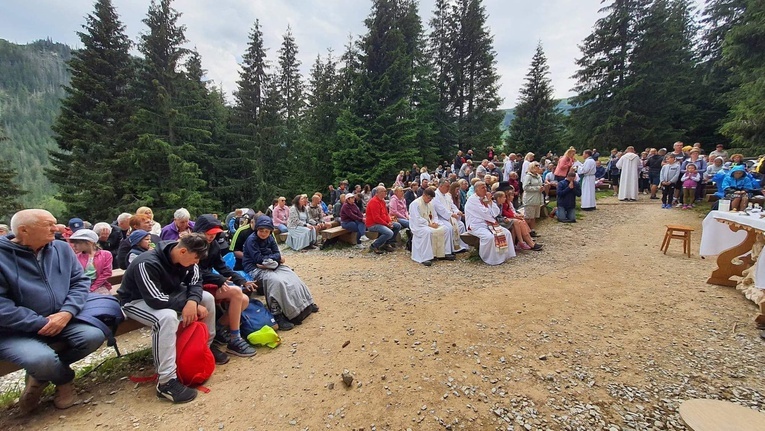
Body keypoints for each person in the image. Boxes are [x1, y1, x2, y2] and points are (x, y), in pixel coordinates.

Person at [0, 209, 105, 413]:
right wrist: (40, 323)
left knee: (93, 336)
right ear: (24, 230)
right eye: (48, 224)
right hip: (13, 331)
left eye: (55, 223)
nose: (56, 228)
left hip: (63, 320)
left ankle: (38, 379)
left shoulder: (61, 248)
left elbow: (80, 282)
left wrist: (67, 313)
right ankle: (63, 380)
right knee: (41, 359)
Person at [192, 215, 256, 358]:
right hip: (194, 285)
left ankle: (218, 329)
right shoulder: (192, 245)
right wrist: (219, 280)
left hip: (208, 281)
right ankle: (235, 338)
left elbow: (221, 267)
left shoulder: (213, 245)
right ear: (198, 231)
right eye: (208, 234)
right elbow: (194, 272)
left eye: (214, 234)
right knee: (235, 293)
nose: (211, 237)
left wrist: (242, 280)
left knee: (244, 300)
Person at [243, 216, 317, 330]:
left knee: (291, 276)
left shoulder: (270, 238)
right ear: (257, 229)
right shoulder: (251, 240)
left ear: (270, 231)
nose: (263, 233)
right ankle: (277, 315)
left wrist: (271, 259)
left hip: (271, 265)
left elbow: (277, 253)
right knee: (275, 282)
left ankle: (306, 303)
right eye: (261, 230)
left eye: (266, 231)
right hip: (254, 268)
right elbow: (257, 259)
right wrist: (274, 259)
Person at [464, 182, 516, 265]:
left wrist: (490, 202)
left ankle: (502, 256)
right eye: (482, 188)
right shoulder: (472, 200)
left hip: (488, 223)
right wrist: (491, 217)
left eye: (485, 187)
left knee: (506, 233)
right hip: (476, 225)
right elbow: (484, 213)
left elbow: (496, 212)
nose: (485, 189)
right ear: (476, 190)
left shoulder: (485, 198)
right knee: (490, 237)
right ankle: (490, 259)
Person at [408, 188, 453, 266]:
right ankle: (425, 257)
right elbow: (416, 218)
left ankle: (444, 253)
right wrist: (428, 224)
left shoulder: (430, 204)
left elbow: (434, 215)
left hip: (430, 223)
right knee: (427, 232)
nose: (430, 200)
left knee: (445, 229)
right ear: (424, 195)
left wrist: (435, 222)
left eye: (431, 199)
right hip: (419, 226)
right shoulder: (415, 204)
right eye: (429, 198)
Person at [70, 229, 113, 294]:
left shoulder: (106, 254)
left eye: (77, 242)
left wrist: (92, 288)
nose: (74, 245)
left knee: (103, 299)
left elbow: (106, 273)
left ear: (89, 242)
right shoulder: (76, 257)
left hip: (99, 285)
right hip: (81, 286)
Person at [433, 179, 468, 253]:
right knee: (449, 227)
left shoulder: (448, 195)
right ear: (441, 186)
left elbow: (452, 205)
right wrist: (451, 214)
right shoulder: (436, 195)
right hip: (441, 217)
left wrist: (457, 212)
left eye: (449, 186)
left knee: (461, 225)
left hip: (450, 216)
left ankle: (460, 246)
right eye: (447, 186)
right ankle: (449, 250)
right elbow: (439, 208)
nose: (448, 188)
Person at [365, 186, 402, 254]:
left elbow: (386, 214)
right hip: (373, 224)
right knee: (389, 232)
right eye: (384, 191)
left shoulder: (382, 201)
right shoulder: (374, 202)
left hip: (381, 222)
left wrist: (389, 222)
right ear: (378, 193)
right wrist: (387, 224)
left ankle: (387, 243)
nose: (386, 193)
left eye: (385, 191)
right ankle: (374, 245)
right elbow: (376, 218)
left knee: (397, 225)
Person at [522, 162, 544, 236]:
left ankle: (532, 230)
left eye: (538, 166)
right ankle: (525, 232)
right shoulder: (528, 176)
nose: (538, 167)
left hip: (537, 198)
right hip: (530, 199)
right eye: (536, 166)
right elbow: (525, 187)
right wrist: (537, 188)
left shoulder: (539, 176)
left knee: (534, 216)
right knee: (528, 217)